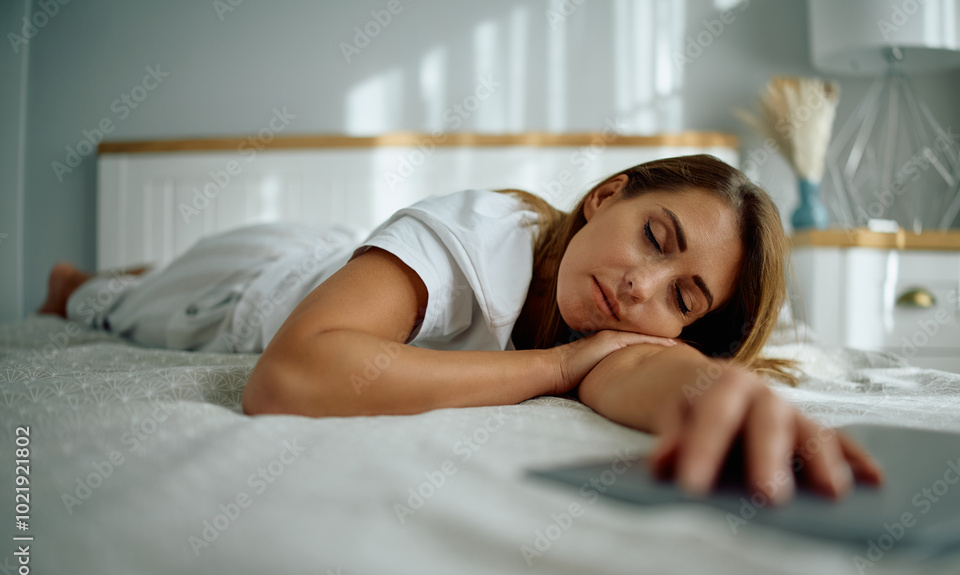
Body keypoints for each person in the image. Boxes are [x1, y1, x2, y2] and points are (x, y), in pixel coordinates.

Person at [40, 154, 882, 505]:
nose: (641, 286)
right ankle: (87, 279)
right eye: (656, 238)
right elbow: (289, 380)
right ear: (606, 195)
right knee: (105, 301)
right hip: (248, 282)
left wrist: (717, 390)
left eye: (684, 298)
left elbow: (636, 373)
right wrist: (554, 366)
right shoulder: (477, 233)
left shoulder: (618, 320)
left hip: (350, 268)